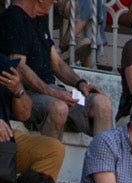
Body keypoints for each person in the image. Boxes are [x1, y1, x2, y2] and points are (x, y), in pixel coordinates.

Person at [0, 0, 112, 138]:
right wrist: (53, 93)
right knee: (59, 108)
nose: (56, 1)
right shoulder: (12, 18)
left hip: (52, 91)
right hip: (27, 94)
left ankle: (103, 158)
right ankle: (49, 158)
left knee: (102, 103)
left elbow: (57, 63)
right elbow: (20, 69)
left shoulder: (39, 19)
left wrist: (81, 83)